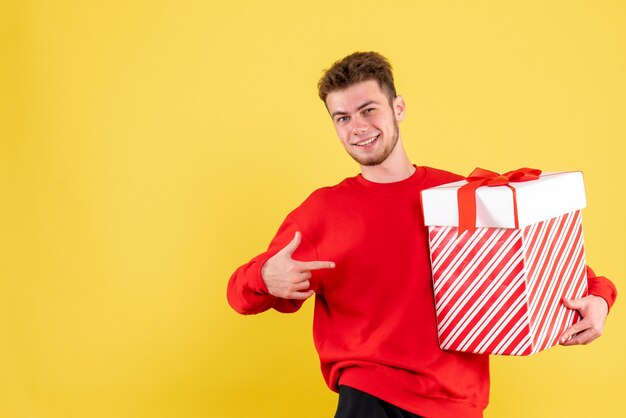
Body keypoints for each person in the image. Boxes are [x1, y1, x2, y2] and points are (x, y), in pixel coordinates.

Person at [226, 52, 617, 418]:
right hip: (369, 395)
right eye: (341, 118)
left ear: (398, 108)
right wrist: (263, 277)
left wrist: (599, 297)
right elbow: (240, 294)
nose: (357, 127)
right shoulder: (323, 211)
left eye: (368, 110)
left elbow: (545, 263)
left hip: (458, 402)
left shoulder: (460, 196)